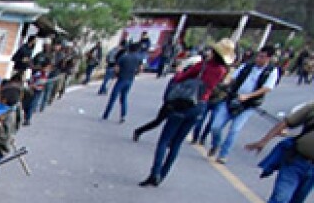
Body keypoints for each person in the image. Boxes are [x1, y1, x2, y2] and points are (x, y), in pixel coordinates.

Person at [141, 39, 231, 187]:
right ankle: (162, 175)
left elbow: (180, 78)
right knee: (176, 143)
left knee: (164, 140)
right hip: (200, 105)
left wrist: (179, 72)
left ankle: (154, 172)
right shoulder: (222, 71)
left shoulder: (202, 66)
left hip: (183, 103)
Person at [245, 99, 314, 203]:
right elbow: (286, 123)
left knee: (295, 202)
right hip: (296, 161)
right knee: (281, 195)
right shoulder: (312, 108)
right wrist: (263, 141)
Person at [205, 47, 280, 163]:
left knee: (235, 129)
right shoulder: (247, 65)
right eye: (258, 55)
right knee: (216, 125)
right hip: (232, 99)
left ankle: (223, 154)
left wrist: (248, 96)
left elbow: (267, 88)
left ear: (268, 58)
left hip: (248, 105)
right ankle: (216, 144)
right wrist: (224, 86)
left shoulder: (271, 71)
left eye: (262, 57)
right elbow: (233, 78)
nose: (258, 59)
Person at [102, 38, 148, 122]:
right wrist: (135, 73)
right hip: (130, 79)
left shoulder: (124, 57)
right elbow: (141, 69)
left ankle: (106, 114)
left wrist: (116, 74)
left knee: (113, 97)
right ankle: (123, 115)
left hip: (121, 78)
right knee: (124, 98)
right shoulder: (138, 58)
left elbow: (116, 68)